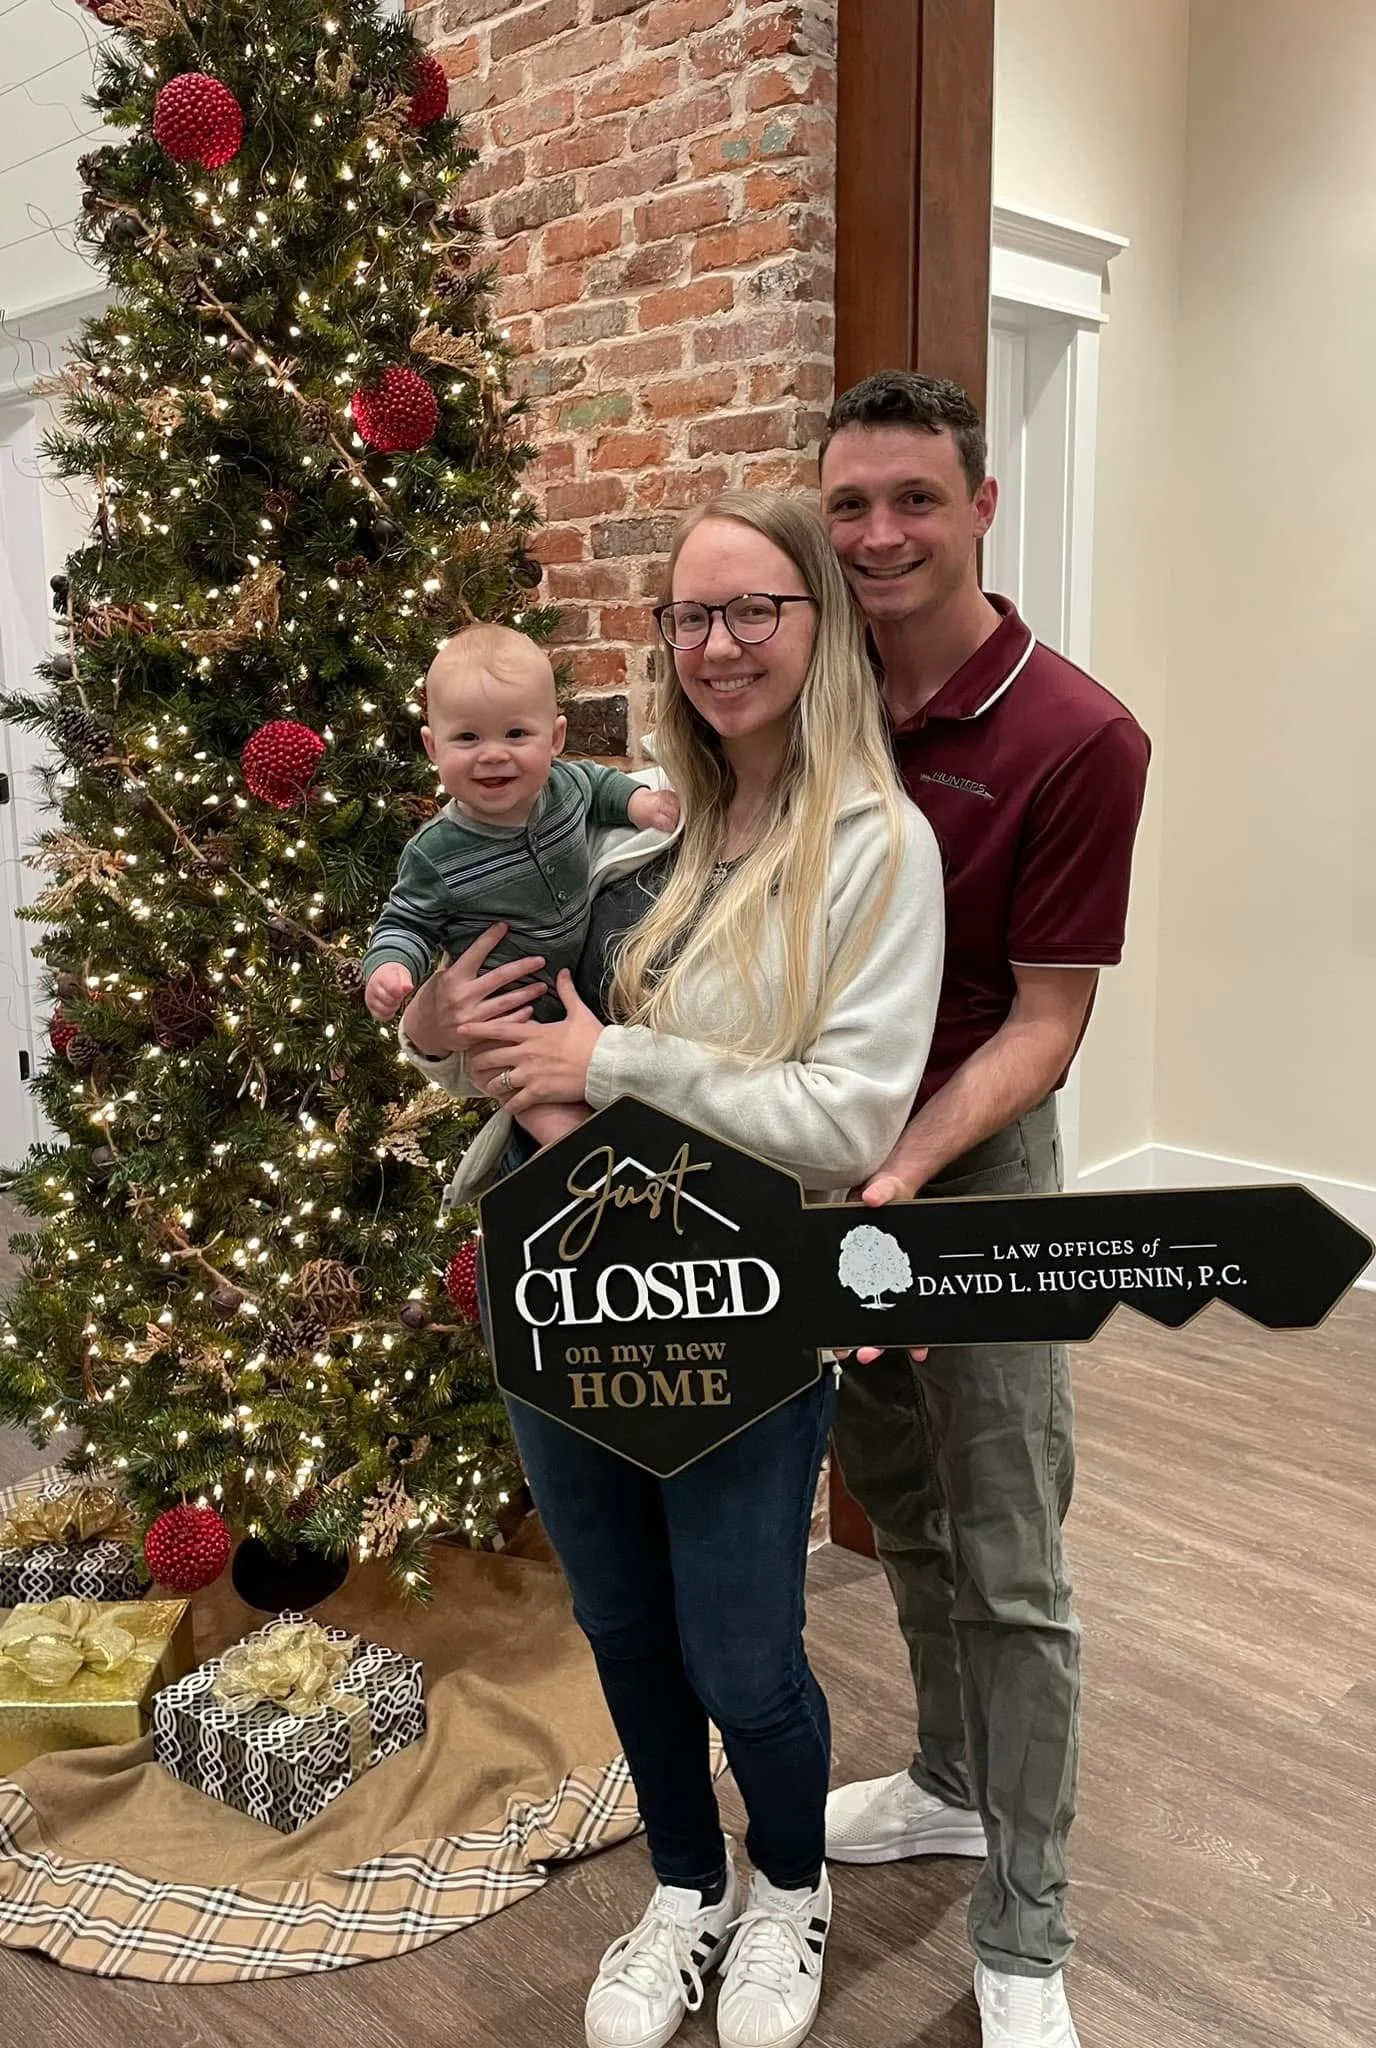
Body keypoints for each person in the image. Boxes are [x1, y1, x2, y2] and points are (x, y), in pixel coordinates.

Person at [397, 490, 945, 2048]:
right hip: (564, 1282)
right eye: (692, 615)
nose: (720, 643)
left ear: (819, 624)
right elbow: (499, 1026)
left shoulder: (877, 845)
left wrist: (616, 1060)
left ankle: (790, 1889)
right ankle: (688, 1885)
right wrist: (431, 1028)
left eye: (755, 607)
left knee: (744, 1654)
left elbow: (851, 1116)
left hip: (745, 1307)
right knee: (625, 1631)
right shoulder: (634, 836)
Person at [818, 371, 1151, 2048]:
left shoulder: (1078, 736)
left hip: (976, 1170)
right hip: (825, 1165)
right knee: (894, 1498)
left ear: (982, 506)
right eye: (850, 504)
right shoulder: (812, 691)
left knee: (1010, 1548)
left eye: (914, 500)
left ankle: (1025, 1932)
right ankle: (950, 1780)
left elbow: (1047, 1021)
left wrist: (904, 1179)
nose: (879, 534)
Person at [362, 623, 679, 1032]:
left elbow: (600, 786)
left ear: (555, 737)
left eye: (516, 734)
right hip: (500, 1018)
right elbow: (406, 923)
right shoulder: (434, 852)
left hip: (582, 1003)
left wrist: (639, 803)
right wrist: (390, 966)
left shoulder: (565, 785)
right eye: (467, 737)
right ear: (432, 747)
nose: (493, 755)